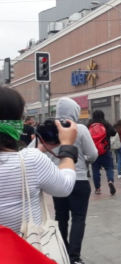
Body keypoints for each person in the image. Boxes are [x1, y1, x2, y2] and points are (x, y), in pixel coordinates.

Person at [0, 87, 78, 234]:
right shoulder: (33, 160)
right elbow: (64, 187)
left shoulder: (31, 158)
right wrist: (67, 147)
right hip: (23, 251)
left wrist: (42, 147)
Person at [44, 98, 98, 264]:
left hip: (57, 180)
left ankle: (61, 251)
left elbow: (42, 153)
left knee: (61, 217)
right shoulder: (80, 128)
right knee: (78, 218)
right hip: (78, 179)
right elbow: (93, 154)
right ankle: (74, 257)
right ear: (74, 111)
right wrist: (84, 162)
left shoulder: (51, 129)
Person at [87, 110, 117, 195]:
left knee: (95, 170)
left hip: (93, 151)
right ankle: (110, 181)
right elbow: (114, 133)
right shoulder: (106, 124)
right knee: (109, 167)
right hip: (105, 150)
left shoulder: (89, 125)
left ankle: (97, 188)